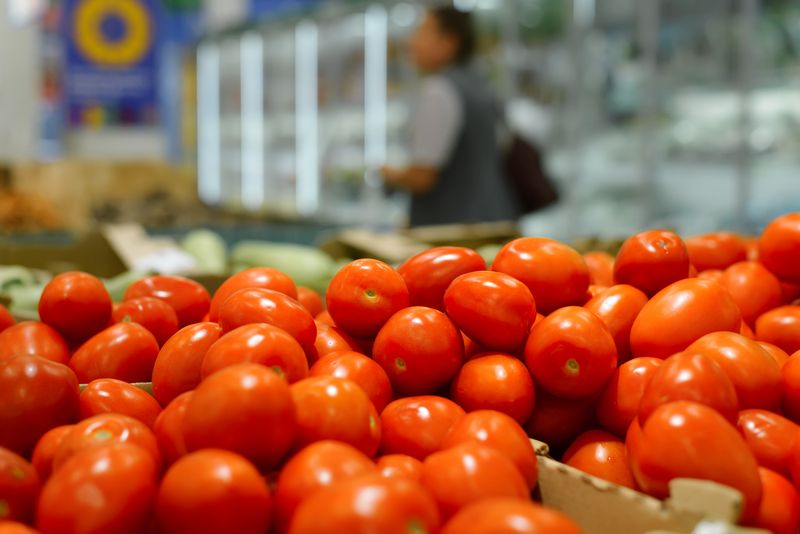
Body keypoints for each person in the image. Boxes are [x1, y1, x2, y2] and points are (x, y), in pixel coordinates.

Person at [381, 5, 520, 227]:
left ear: (449, 42)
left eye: (421, 32)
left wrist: (389, 174)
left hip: (452, 231)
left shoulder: (440, 89)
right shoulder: (481, 85)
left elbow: (423, 176)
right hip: (495, 219)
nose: (411, 43)